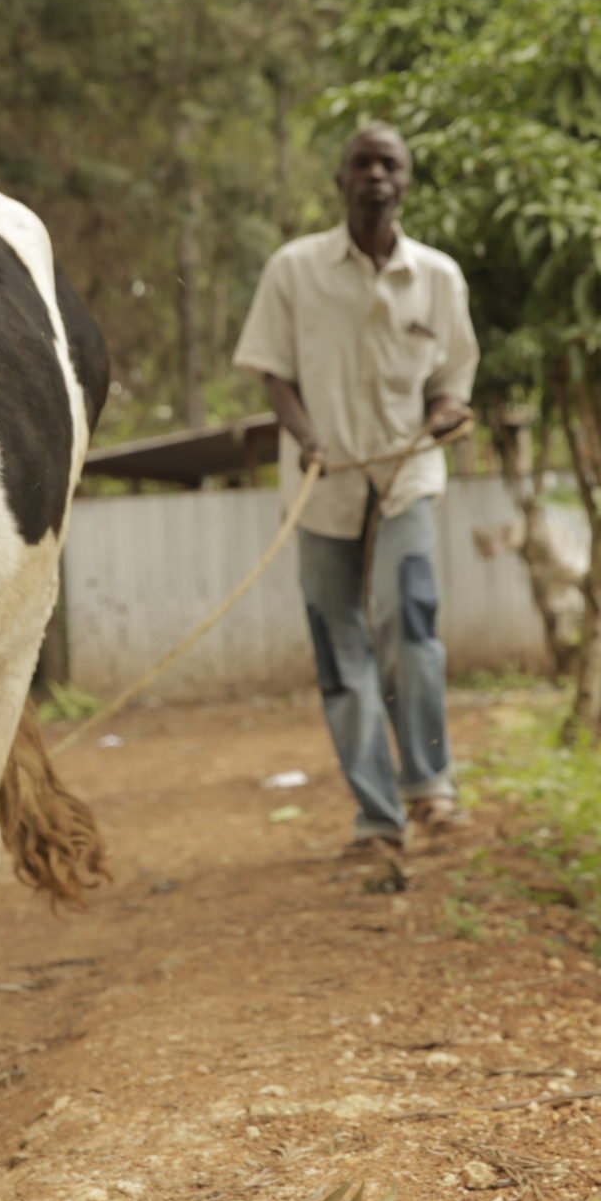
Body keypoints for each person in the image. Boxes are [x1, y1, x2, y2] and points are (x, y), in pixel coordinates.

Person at [232, 124, 478, 854]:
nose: (375, 174)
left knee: (408, 624)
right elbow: (274, 369)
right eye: (361, 163)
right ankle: (377, 817)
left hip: (407, 476)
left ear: (406, 181)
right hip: (323, 485)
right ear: (339, 180)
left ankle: (431, 787)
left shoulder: (438, 276)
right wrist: (307, 437)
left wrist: (445, 412)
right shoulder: (294, 269)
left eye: (389, 164)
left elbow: (453, 380)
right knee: (341, 650)